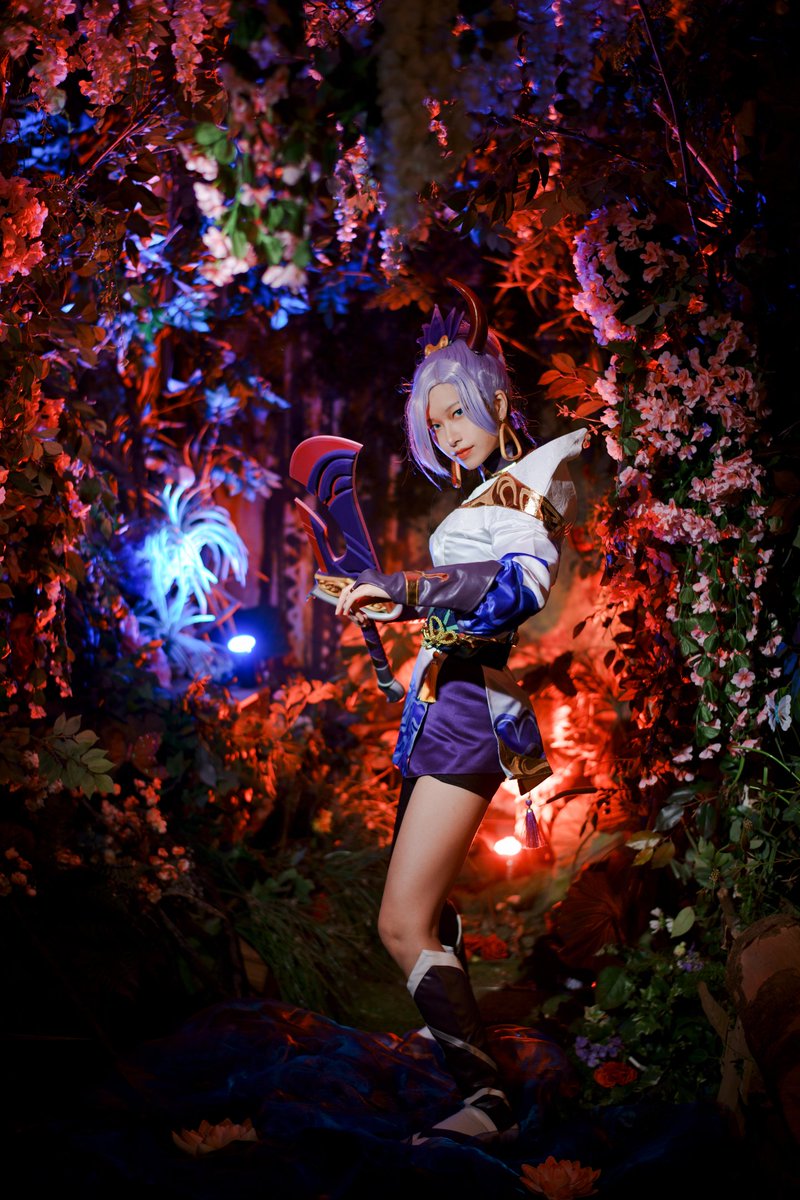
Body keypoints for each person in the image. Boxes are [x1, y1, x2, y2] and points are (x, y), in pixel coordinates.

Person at [335, 281, 585, 1145]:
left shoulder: (530, 486)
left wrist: (407, 589)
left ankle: (486, 1099)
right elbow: (457, 601)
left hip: (472, 713)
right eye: (434, 422)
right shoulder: (488, 494)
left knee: (400, 922)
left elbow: (515, 590)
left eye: (456, 412)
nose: (447, 432)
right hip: (440, 708)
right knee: (431, 914)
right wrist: (391, 604)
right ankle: (466, 1061)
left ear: (497, 401)